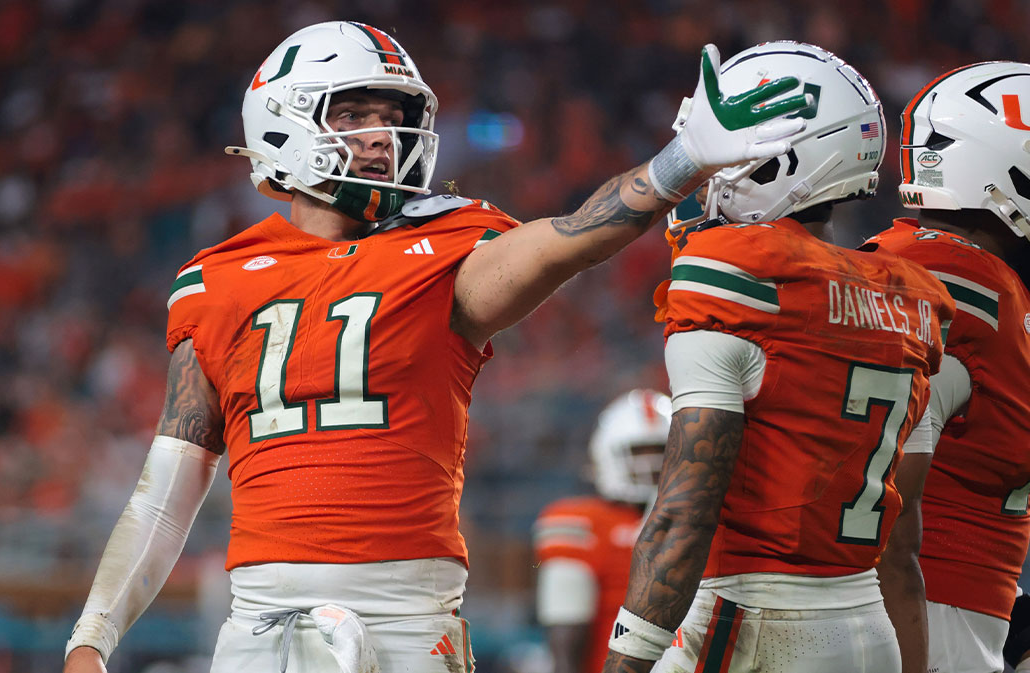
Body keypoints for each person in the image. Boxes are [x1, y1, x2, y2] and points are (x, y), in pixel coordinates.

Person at [60, 21, 814, 673]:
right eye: (353, 113)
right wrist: (93, 636)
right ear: (283, 122)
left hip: (408, 624)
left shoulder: (447, 243)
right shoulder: (216, 278)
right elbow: (167, 489)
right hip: (261, 627)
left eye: (391, 116)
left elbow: (569, 240)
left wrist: (678, 163)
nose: (380, 136)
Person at [600, 42, 955, 673]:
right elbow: (903, 546)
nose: (708, 171)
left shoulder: (737, 277)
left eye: (729, 150)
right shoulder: (914, 299)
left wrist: (627, 660)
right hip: (868, 621)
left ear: (782, 161)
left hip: (755, 617)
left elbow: (683, 514)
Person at [863, 61, 1030, 673]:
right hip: (916, 618)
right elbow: (879, 501)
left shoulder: (907, 261)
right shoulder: (966, 286)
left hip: (950, 610)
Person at [533, 390, 671, 673]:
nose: (651, 464)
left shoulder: (707, 520)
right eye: (639, 452)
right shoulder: (581, 523)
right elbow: (566, 639)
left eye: (660, 451)